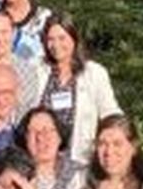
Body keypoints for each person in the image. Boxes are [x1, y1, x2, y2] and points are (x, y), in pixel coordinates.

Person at [38, 13, 117, 167]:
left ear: (74, 39)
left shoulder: (95, 73)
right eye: (50, 39)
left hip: (79, 158)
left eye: (62, 38)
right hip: (44, 159)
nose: (56, 45)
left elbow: (111, 114)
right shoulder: (38, 70)